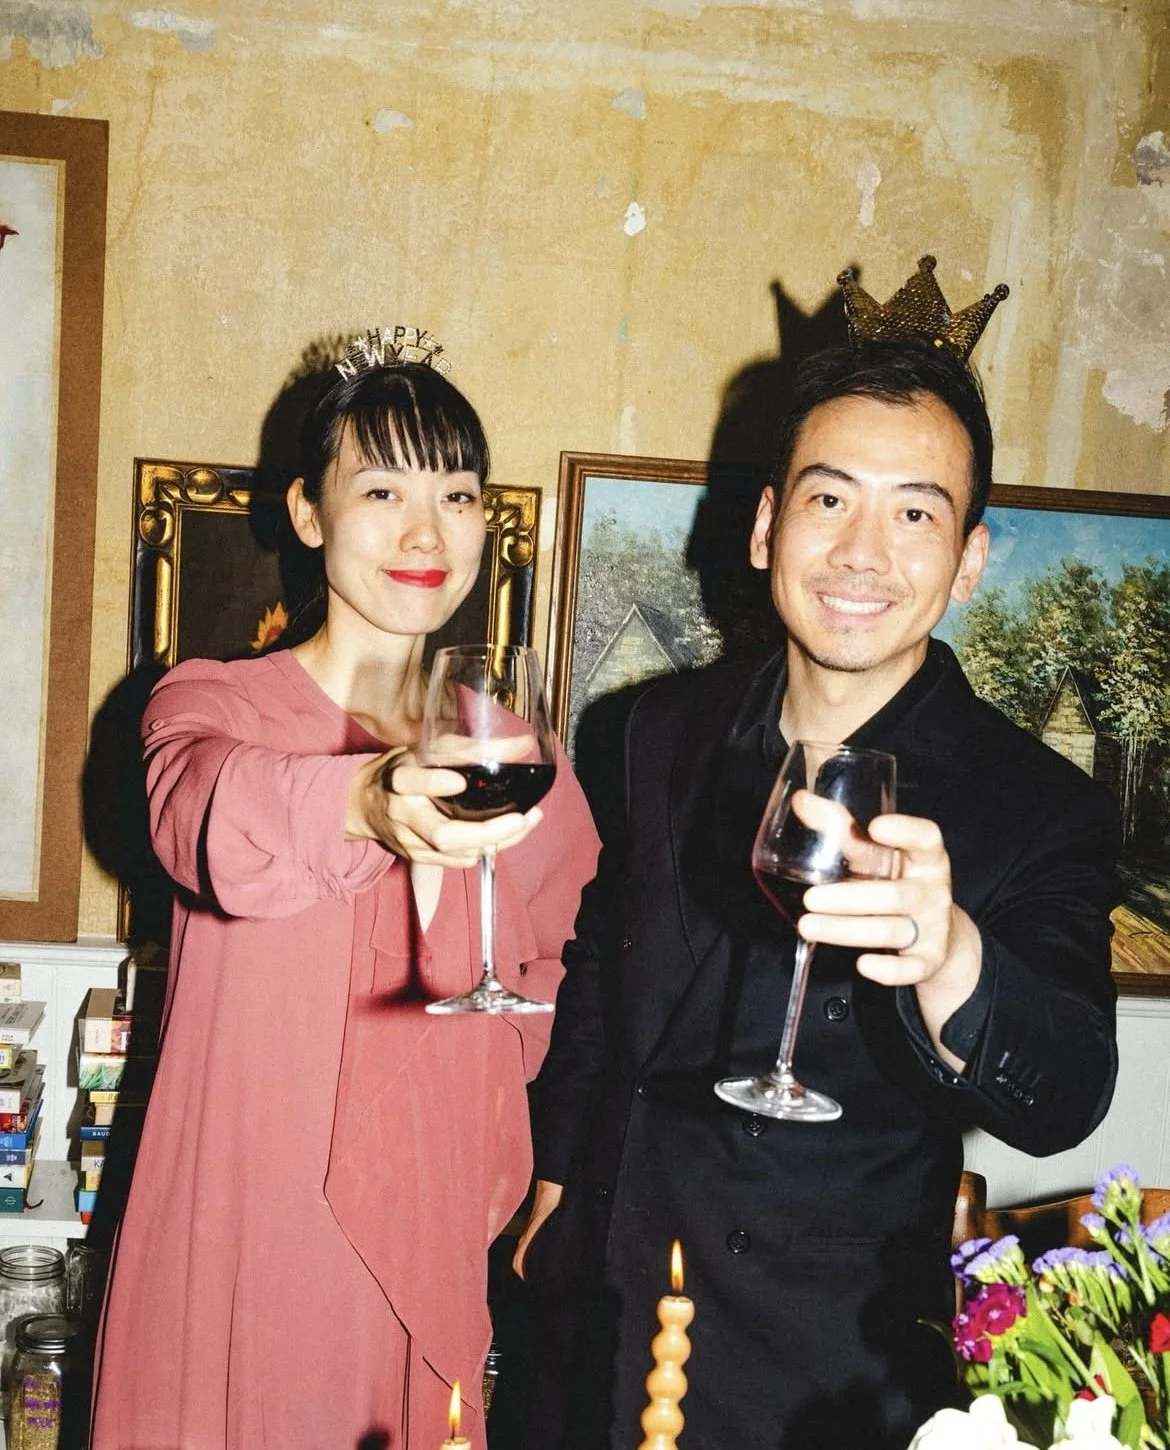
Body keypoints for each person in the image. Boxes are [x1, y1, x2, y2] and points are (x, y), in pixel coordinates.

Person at [515, 338, 1121, 1450]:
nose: (861, 552)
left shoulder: (1038, 806)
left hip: (814, 1370)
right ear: (765, 527)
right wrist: (555, 1173)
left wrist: (952, 957)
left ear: (970, 560)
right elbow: (603, 960)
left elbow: (1067, 1092)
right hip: (592, 1312)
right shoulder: (654, 729)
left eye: (915, 513)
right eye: (830, 498)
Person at [90, 338, 600, 1450]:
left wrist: (516, 1127)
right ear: (308, 514)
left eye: (457, 495)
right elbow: (199, 811)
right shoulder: (209, 705)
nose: (426, 533)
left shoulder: (515, 757)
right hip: (238, 1218)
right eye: (382, 492)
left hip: (418, 1237)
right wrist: (369, 801)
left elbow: (563, 984)